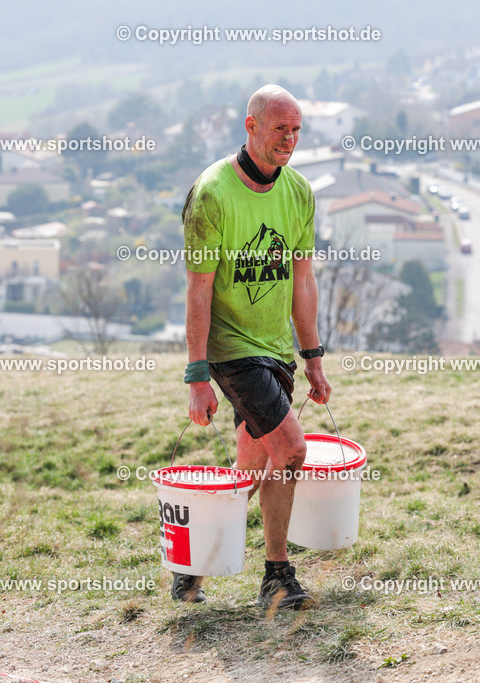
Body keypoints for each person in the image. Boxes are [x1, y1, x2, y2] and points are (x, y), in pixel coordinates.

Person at [177, 84, 331, 611]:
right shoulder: (212, 193)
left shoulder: (299, 192)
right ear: (251, 126)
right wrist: (197, 374)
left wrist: (312, 358)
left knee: (251, 468)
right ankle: (278, 575)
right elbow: (199, 289)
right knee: (290, 447)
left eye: (296, 131)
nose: (288, 140)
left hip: (275, 349)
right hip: (230, 349)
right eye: (278, 129)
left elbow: (303, 280)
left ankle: (191, 565)